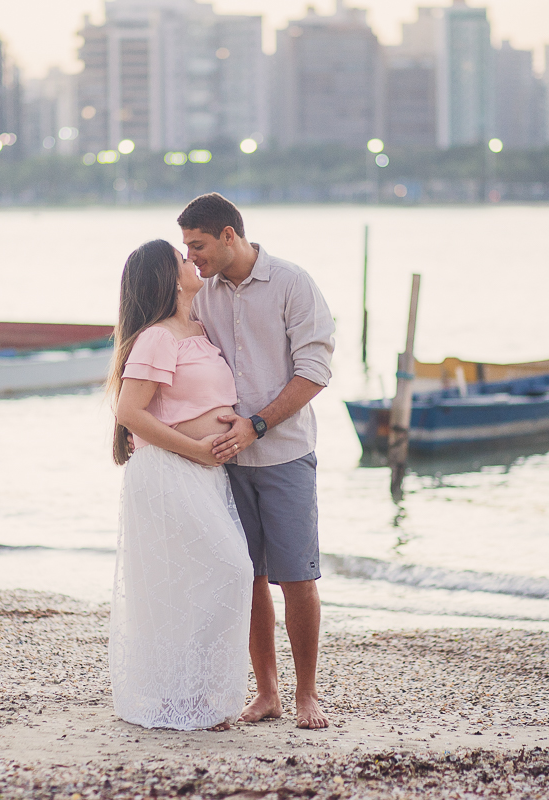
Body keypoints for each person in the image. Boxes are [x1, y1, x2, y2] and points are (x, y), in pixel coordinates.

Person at [179, 193, 336, 730]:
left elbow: (315, 370)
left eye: (197, 246)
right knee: (247, 575)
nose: (192, 258)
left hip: (286, 454)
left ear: (228, 235)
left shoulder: (293, 283)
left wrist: (258, 424)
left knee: (297, 577)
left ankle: (306, 695)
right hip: (225, 461)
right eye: (186, 249)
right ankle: (266, 693)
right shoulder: (204, 297)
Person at [106, 239, 254, 731]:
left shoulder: (200, 329)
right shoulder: (156, 338)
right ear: (169, 279)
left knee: (201, 583)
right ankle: (182, 694)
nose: (193, 262)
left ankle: (189, 695)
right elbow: (128, 414)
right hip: (170, 472)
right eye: (183, 259)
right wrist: (194, 448)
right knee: (230, 571)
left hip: (204, 476)